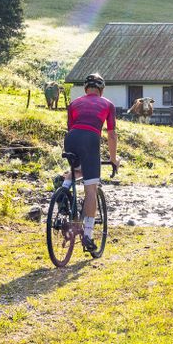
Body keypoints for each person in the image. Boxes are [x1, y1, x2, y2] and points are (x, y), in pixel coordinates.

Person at [62, 72, 118, 253]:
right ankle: (87, 235)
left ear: (86, 88)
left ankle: (63, 189)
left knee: (76, 169)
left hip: (71, 138)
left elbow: (71, 128)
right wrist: (113, 158)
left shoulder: (74, 103)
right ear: (101, 89)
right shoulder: (108, 104)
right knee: (91, 190)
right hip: (90, 139)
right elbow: (111, 134)